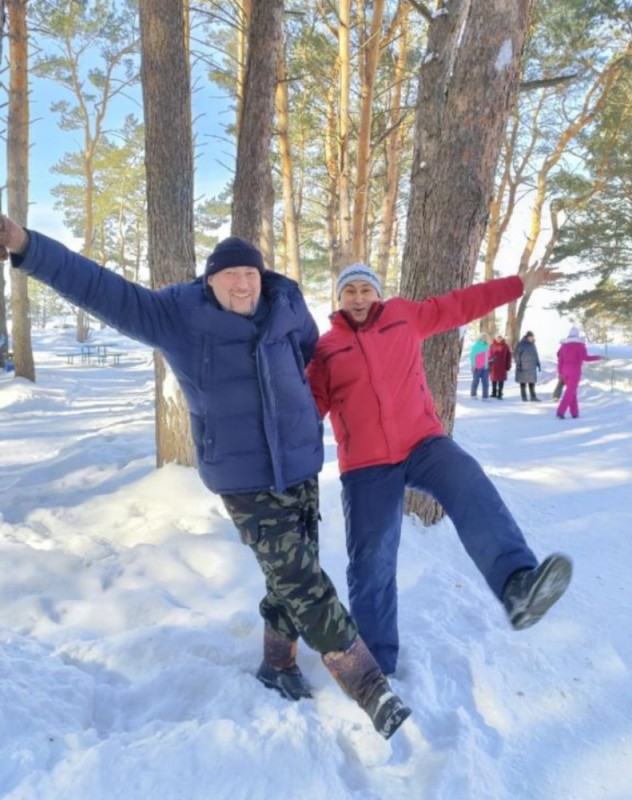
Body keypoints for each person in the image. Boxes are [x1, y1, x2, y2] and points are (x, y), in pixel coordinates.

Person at [0, 214, 410, 740]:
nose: (242, 283)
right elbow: (102, 289)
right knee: (305, 582)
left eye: (251, 274)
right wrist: (26, 245)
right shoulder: (179, 318)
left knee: (289, 574)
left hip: (301, 465)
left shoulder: (287, 308)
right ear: (209, 280)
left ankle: (277, 664)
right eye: (230, 274)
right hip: (244, 479)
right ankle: (370, 685)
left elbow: (319, 363)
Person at [307, 263, 572, 676]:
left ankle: (517, 585)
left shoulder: (404, 316)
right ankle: (374, 665)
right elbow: (307, 410)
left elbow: (463, 304)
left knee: (467, 479)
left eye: (365, 289)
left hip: (422, 443)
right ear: (338, 300)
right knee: (371, 558)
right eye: (349, 292)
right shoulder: (326, 350)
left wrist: (521, 284)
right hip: (366, 464)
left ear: (378, 294)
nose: (358, 298)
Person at [556, 326, 604, 419]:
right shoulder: (580, 345)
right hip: (575, 370)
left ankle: (574, 413)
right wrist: (598, 357)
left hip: (564, 370)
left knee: (572, 392)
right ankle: (560, 412)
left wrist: (560, 372)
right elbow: (585, 357)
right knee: (570, 392)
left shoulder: (564, 346)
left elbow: (560, 360)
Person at [514, 331, 542, 402]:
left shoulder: (533, 345)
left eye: (533, 337)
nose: (532, 338)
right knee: (523, 382)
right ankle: (524, 397)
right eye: (531, 337)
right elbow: (517, 355)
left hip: (532, 367)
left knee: (531, 382)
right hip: (523, 367)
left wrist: (538, 363)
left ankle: (533, 397)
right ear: (527, 337)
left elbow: (536, 354)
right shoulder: (521, 344)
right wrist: (518, 364)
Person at [489, 333, 512, 399]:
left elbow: (509, 356)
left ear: (502, 338)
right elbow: (489, 355)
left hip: (502, 365)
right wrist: (489, 363)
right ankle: (494, 393)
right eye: (497, 337)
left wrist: (508, 364)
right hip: (494, 366)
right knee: (494, 379)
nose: (499, 339)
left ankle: (500, 393)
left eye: (500, 337)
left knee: (501, 380)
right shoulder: (492, 346)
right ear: (495, 338)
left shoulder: (505, 346)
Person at [469, 332, 490, 399]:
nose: (484, 338)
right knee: (475, 381)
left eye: (486, 337)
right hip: (477, 367)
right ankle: (473, 395)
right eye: (483, 337)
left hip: (485, 367)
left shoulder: (487, 346)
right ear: (480, 338)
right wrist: (473, 366)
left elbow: (488, 356)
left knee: (485, 382)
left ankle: (485, 396)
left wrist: (490, 360)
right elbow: (472, 356)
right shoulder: (476, 346)